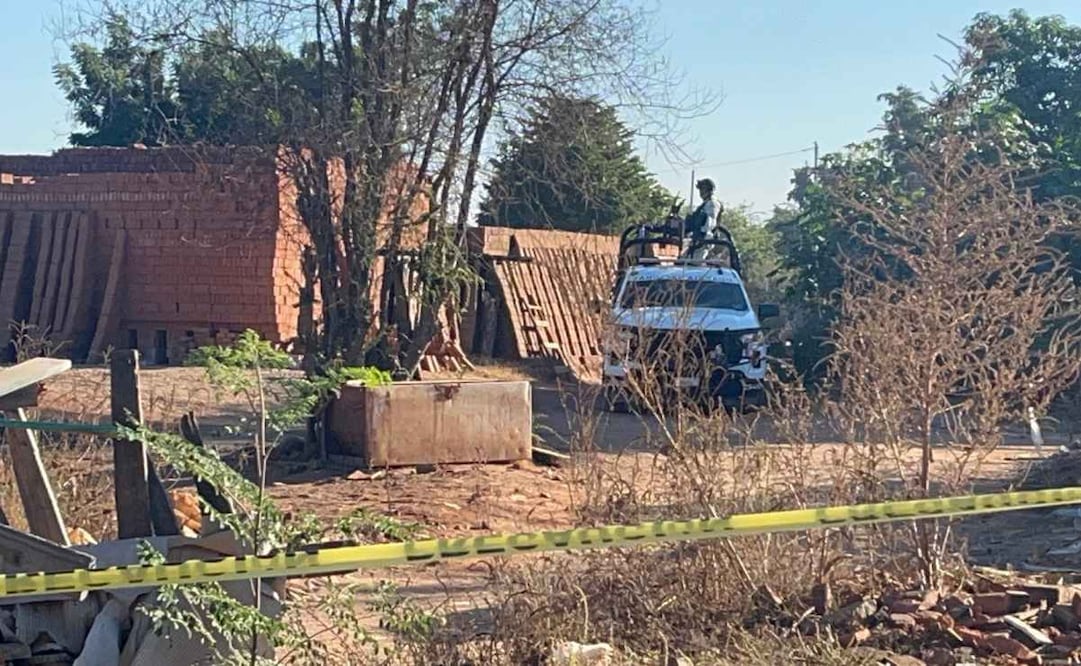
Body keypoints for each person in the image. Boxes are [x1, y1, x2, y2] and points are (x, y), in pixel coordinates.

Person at [684, 178, 721, 258]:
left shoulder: (712, 203)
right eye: (700, 189)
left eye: (703, 189)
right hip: (696, 239)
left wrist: (701, 238)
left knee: (693, 264)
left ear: (709, 190)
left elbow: (709, 224)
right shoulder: (704, 205)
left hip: (703, 240)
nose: (701, 192)